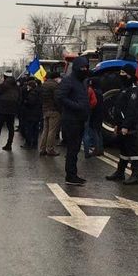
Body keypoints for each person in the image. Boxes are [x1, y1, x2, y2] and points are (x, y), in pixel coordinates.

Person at [105, 66, 138, 184]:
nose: (120, 75)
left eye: (122, 72)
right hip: (121, 125)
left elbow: (132, 110)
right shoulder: (124, 88)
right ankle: (120, 172)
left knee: (133, 150)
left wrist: (126, 126)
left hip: (129, 126)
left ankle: (135, 175)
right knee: (124, 149)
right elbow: (119, 107)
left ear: (129, 75)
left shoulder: (135, 90)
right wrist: (117, 124)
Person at [56, 57, 91, 186]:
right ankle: (70, 175)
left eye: (86, 67)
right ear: (76, 68)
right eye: (82, 68)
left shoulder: (83, 82)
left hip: (80, 119)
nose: (85, 70)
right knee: (72, 149)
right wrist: (76, 106)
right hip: (71, 120)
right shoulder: (68, 81)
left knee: (75, 149)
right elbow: (60, 97)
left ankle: (73, 174)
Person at [39, 72, 61, 157]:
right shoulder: (55, 86)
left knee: (45, 130)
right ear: (56, 78)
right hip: (54, 110)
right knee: (52, 131)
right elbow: (57, 99)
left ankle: (42, 148)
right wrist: (60, 109)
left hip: (45, 109)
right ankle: (50, 149)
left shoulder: (44, 85)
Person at [83, 77, 104, 159]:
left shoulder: (92, 91)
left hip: (93, 114)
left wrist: (89, 108)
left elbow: (94, 102)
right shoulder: (100, 91)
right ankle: (100, 148)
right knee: (98, 131)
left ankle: (96, 149)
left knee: (91, 132)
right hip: (99, 113)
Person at [20, 78, 42, 149]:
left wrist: (25, 102)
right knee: (35, 130)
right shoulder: (38, 92)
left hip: (31, 114)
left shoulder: (32, 93)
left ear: (30, 86)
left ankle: (28, 143)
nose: (27, 87)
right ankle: (35, 143)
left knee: (29, 129)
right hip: (37, 114)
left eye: (28, 86)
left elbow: (30, 103)